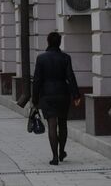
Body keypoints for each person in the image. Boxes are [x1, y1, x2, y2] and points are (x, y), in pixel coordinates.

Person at [32, 32, 81, 166]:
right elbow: (70, 77)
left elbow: (37, 80)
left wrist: (34, 99)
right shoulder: (65, 58)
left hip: (47, 95)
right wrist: (76, 95)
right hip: (63, 94)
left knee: (52, 125)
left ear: (48, 42)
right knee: (63, 124)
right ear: (59, 43)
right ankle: (62, 152)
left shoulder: (41, 58)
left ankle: (54, 157)